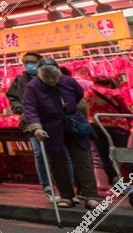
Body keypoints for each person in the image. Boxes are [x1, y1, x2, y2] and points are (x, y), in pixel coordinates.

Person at [21, 59, 100, 207]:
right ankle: (66, 196)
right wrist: (37, 127)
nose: (51, 81)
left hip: (74, 123)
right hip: (50, 126)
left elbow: (78, 94)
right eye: (47, 78)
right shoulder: (32, 87)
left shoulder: (68, 81)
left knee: (83, 159)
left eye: (54, 77)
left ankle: (91, 196)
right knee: (56, 161)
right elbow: (30, 108)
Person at [7, 51, 63, 202]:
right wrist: (20, 109)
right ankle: (47, 186)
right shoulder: (20, 80)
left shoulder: (51, 76)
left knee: (59, 153)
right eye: (26, 62)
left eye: (32, 61)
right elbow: (12, 97)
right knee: (39, 153)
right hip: (31, 121)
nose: (29, 65)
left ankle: (66, 186)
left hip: (54, 121)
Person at [86, 76, 131, 184]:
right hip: (117, 126)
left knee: (104, 155)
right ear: (109, 84)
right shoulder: (115, 93)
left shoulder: (87, 93)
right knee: (120, 154)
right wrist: (131, 121)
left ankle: (114, 178)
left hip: (96, 126)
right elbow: (125, 110)